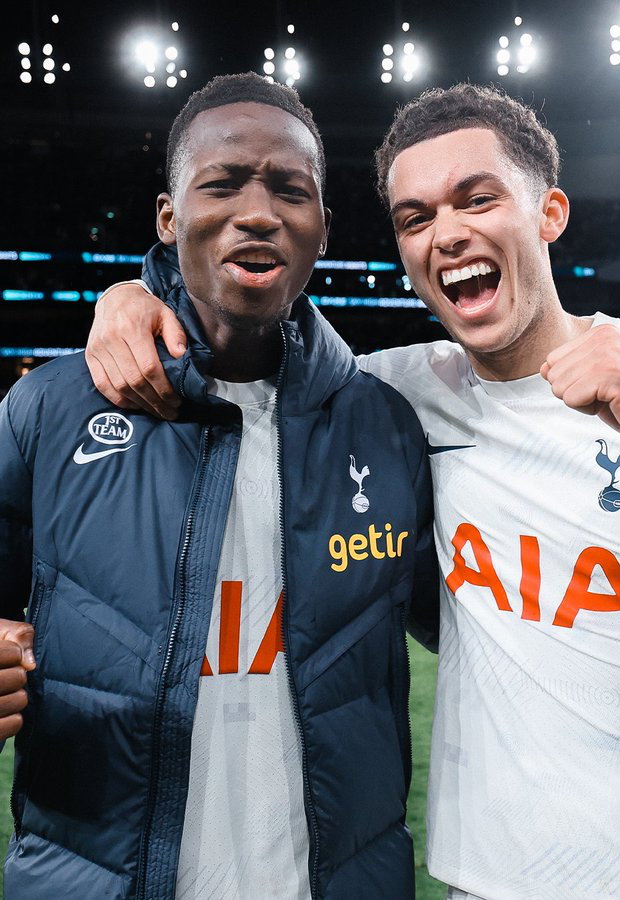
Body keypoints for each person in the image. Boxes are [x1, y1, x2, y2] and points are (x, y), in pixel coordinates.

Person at [87, 81, 620, 899]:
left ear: (550, 213)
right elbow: (246, 343)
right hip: (481, 882)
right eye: (416, 218)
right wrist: (134, 296)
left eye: (477, 199)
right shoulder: (399, 397)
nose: (447, 234)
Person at [0, 73, 439, 900]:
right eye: (223, 182)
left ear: (321, 229)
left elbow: (477, 627)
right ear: (168, 219)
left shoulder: (386, 424)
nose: (260, 210)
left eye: (289, 190)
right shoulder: (49, 411)